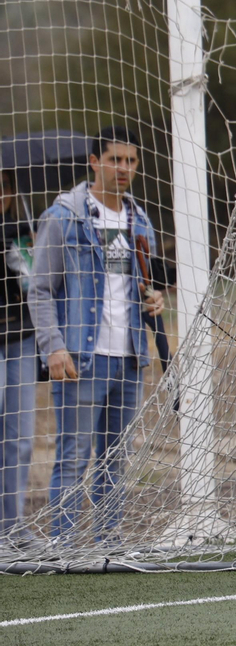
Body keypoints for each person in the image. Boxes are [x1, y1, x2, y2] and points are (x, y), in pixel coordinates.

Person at [28, 126, 165, 541]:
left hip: (129, 358)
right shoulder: (63, 217)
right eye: (114, 159)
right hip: (80, 359)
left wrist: (154, 300)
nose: (123, 168)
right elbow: (39, 290)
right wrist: (53, 347)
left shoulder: (139, 220)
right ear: (94, 162)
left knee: (115, 458)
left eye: (131, 161)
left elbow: (141, 283)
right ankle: (63, 545)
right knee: (73, 459)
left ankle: (108, 541)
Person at [0, 171, 37, 540]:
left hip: (21, 338)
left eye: (5, 186)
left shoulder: (23, 227)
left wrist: (33, 248)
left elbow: (34, 283)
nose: (1, 194)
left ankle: (13, 528)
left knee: (20, 438)